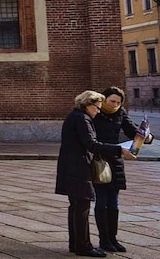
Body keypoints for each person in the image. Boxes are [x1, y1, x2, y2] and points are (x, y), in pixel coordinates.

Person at [57, 90, 135, 257]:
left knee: (76, 207)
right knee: (82, 207)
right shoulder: (82, 119)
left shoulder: (76, 116)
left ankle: (76, 243)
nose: (98, 111)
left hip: (71, 167)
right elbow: (91, 144)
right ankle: (83, 246)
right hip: (78, 168)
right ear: (87, 104)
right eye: (97, 108)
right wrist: (119, 150)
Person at [92, 86, 153, 252]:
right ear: (103, 99)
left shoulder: (120, 112)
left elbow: (133, 131)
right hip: (99, 160)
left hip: (116, 160)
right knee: (102, 202)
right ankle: (104, 239)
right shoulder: (94, 113)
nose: (115, 104)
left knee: (114, 203)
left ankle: (113, 239)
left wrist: (146, 137)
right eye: (112, 101)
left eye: (118, 102)